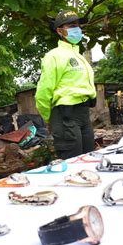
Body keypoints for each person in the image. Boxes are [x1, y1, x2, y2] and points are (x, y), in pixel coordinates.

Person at [35, 10, 96, 160]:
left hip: (83, 113)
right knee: (72, 165)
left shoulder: (79, 55)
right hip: (65, 116)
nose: (77, 28)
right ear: (60, 31)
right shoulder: (53, 56)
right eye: (71, 25)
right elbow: (43, 93)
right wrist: (50, 119)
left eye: (78, 25)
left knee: (88, 160)